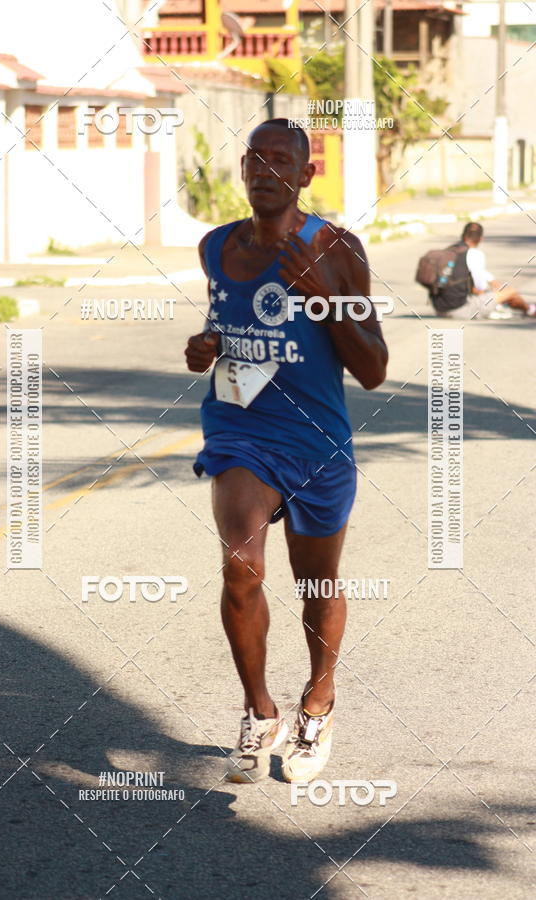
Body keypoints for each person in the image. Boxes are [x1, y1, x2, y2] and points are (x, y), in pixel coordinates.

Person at [184, 119, 388, 784]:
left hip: (318, 440)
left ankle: (319, 702)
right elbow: (228, 324)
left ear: (304, 176)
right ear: (241, 170)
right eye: (254, 158)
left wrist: (326, 299)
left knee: (318, 584)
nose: (265, 170)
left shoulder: (337, 248)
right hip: (241, 432)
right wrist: (206, 347)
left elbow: (375, 368)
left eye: (282, 161)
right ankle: (257, 709)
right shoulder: (215, 247)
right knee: (240, 567)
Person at [438, 222, 536, 320]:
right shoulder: (476, 255)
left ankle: (522, 308)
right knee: (510, 292)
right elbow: (480, 286)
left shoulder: (449, 251)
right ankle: (530, 310)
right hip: (460, 310)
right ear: (481, 238)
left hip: (439, 307)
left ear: (463, 236)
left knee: (499, 292)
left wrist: (492, 282)